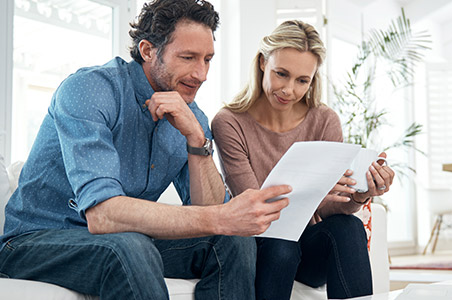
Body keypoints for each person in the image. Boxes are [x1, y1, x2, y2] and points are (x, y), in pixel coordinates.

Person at [0, 1, 291, 299]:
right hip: (34, 241)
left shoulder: (191, 116)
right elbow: (103, 216)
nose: (201, 74)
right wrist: (221, 217)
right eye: (188, 57)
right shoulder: (90, 90)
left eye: (207, 59)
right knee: (130, 246)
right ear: (148, 50)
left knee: (233, 240)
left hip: (121, 239)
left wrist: (196, 138)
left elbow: (212, 210)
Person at [211, 20, 395, 300]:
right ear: (262, 63)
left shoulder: (324, 120)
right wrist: (310, 196)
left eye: (302, 81)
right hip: (262, 244)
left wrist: (360, 194)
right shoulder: (230, 122)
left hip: (309, 247)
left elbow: (330, 205)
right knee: (280, 245)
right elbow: (254, 206)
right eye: (281, 74)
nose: (289, 90)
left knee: (349, 227)